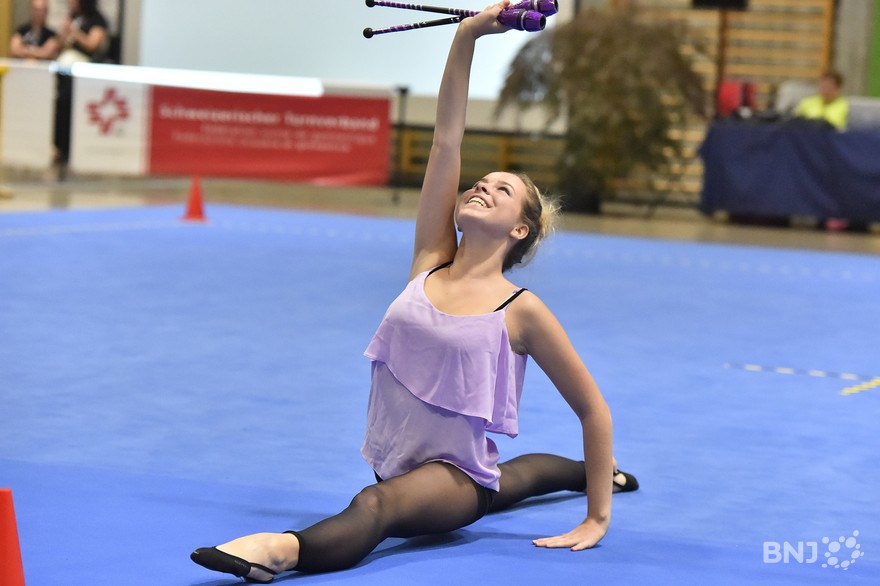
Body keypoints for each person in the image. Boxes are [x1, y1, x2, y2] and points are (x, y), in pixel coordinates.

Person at [190, 3, 638, 582]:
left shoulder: (521, 310)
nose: (482, 186)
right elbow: (446, 142)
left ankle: (278, 551)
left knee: (377, 506)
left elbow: (593, 408)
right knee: (518, 478)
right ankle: (592, 471)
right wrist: (468, 35)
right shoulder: (430, 261)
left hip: (454, 479)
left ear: (519, 230)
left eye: (502, 190)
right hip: (400, 461)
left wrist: (597, 518)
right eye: (481, 182)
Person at [56, 0, 110, 64]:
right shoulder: (73, 16)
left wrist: (74, 32)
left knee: (68, 60)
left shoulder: (97, 19)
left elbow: (92, 45)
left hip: (87, 60)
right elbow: (60, 42)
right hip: (66, 55)